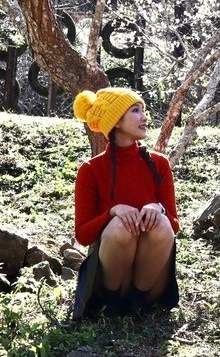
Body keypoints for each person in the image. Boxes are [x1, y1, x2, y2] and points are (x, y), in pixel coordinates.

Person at [70, 87, 179, 319]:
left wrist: (158, 208)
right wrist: (112, 212)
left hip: (150, 285)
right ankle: (113, 305)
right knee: (120, 226)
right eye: (136, 111)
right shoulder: (91, 170)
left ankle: (136, 304)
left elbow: (174, 226)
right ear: (116, 122)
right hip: (108, 282)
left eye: (144, 111)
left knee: (160, 222)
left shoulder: (159, 164)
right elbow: (82, 235)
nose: (144, 117)